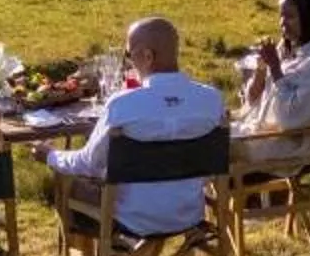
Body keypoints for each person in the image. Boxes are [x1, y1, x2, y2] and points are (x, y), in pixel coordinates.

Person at [46, 16, 226, 236]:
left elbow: (88, 164)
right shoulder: (212, 99)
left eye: (129, 54)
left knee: (65, 182)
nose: (129, 63)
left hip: (132, 220)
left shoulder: (123, 105)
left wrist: (50, 156)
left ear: (148, 56)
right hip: (189, 214)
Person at [236, 0, 310, 170]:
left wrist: (275, 68)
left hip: (289, 145)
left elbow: (289, 119)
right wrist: (261, 69)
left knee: (216, 149)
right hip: (262, 133)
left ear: (309, 18)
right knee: (207, 136)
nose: (282, 22)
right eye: (281, 16)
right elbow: (251, 101)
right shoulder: (287, 50)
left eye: (290, 16)